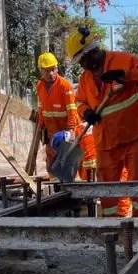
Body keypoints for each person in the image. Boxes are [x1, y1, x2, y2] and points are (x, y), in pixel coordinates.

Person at [67, 25, 138, 219]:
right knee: (107, 187)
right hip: (106, 140)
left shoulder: (123, 59)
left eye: (83, 60)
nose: (83, 65)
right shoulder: (85, 79)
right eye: (79, 62)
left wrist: (124, 75)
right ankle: (110, 226)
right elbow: (79, 101)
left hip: (134, 134)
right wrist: (86, 112)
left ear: (92, 51)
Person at [35, 51, 96, 179]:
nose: (51, 73)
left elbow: (72, 111)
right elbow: (41, 108)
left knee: (69, 160)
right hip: (51, 130)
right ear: (41, 70)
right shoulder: (40, 86)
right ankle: (55, 187)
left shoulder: (65, 86)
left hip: (66, 131)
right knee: (52, 160)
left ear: (57, 68)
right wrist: (41, 127)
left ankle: (73, 185)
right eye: (47, 70)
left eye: (53, 69)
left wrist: (70, 132)